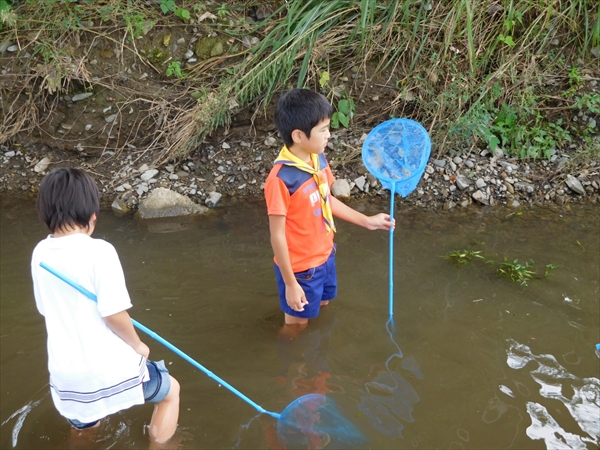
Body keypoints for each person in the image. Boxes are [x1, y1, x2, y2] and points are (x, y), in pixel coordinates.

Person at [30, 167, 180, 444]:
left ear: (45, 213)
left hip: (68, 377)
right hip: (107, 368)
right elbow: (114, 314)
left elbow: (44, 308)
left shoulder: (39, 254)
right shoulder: (101, 251)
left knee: (85, 426)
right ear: (92, 215)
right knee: (170, 394)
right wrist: (137, 345)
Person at [265, 88, 394, 329]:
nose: (329, 135)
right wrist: (291, 283)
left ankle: (317, 355)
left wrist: (367, 221)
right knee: (295, 326)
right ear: (298, 136)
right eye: (323, 130)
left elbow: (326, 201)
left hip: (325, 256)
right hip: (301, 270)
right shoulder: (281, 179)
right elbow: (277, 235)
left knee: (323, 307)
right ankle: (293, 363)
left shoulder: (319, 160)